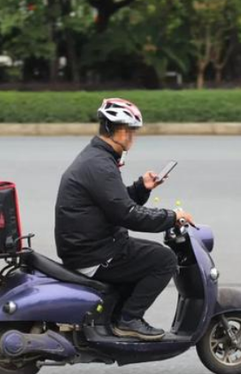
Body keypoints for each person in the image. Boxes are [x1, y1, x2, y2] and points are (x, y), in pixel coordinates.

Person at [54, 98, 194, 341]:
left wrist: (142, 188)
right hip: (94, 252)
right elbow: (126, 214)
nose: (132, 137)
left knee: (144, 255)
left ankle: (116, 316)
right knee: (164, 259)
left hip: (91, 245)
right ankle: (128, 320)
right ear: (116, 131)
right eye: (129, 131)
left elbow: (113, 204)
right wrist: (172, 217)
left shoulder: (97, 158)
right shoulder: (100, 165)